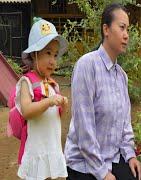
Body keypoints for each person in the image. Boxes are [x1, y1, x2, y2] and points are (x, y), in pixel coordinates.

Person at [64, 3, 141, 180]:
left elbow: (125, 123)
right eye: (122, 28)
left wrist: (130, 155)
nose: (126, 35)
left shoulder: (121, 76)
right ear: (106, 29)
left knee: (137, 175)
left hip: (112, 159)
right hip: (84, 164)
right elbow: (83, 126)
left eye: (128, 30)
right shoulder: (87, 65)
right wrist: (102, 173)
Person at [16, 17, 69, 179]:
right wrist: (48, 102)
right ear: (34, 55)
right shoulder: (27, 82)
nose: (53, 61)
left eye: (55, 54)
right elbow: (26, 111)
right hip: (36, 149)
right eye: (48, 53)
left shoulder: (53, 85)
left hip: (51, 148)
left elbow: (58, 116)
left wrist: (63, 105)